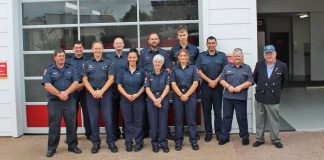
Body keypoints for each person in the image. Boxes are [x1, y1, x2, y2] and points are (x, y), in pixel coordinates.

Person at [42, 49, 81, 157]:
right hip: (55, 102)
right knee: (54, 126)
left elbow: (76, 82)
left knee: (71, 125)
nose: (61, 58)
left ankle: (72, 146)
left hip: (69, 100)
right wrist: (59, 94)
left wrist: (66, 93)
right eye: (59, 56)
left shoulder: (71, 68)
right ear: (55, 57)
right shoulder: (49, 69)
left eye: (63, 56)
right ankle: (51, 148)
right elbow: (47, 85)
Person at [82, 41, 117, 153]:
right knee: (93, 120)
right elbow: (84, 80)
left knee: (108, 119)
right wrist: (93, 92)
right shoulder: (87, 63)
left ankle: (111, 143)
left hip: (105, 94)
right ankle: (96, 143)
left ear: (102, 49)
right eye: (95, 48)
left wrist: (101, 91)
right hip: (91, 95)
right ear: (92, 49)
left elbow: (111, 78)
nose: (97, 50)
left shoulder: (108, 62)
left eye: (99, 48)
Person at [253, 45, 288, 149]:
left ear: (275, 54)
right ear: (264, 54)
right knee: (259, 119)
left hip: (273, 97)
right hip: (260, 96)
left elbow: (284, 82)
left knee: (274, 120)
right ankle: (259, 139)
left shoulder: (282, 65)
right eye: (267, 53)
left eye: (271, 53)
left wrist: (276, 90)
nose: (269, 55)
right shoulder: (259, 64)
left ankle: (276, 139)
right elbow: (255, 78)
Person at [139, 32, 173, 139]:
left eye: (155, 39)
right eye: (152, 39)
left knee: (163, 114)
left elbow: (168, 69)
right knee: (148, 112)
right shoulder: (143, 53)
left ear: (158, 41)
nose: (154, 41)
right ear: (149, 41)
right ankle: (148, 133)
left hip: (162, 86)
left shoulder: (164, 53)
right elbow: (140, 68)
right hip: (148, 86)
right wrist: (148, 79)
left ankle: (164, 134)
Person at [218, 48, 253, 145]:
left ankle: (245, 137)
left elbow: (250, 81)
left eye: (239, 56)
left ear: (242, 57)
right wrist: (228, 86)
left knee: (242, 118)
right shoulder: (227, 67)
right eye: (235, 55)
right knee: (226, 117)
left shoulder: (247, 68)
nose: (237, 57)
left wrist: (241, 87)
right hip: (228, 98)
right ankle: (225, 137)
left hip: (241, 98)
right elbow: (221, 80)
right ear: (232, 57)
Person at [195, 36, 228, 142]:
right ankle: (208, 133)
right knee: (206, 111)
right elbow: (199, 70)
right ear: (207, 44)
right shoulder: (201, 56)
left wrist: (215, 81)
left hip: (218, 87)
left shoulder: (222, 56)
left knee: (218, 112)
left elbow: (225, 70)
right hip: (205, 87)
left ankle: (219, 133)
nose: (211, 45)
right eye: (209, 43)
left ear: (216, 44)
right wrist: (209, 81)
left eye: (213, 43)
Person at [116, 48, 146, 152]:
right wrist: (127, 95)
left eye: (134, 57)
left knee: (138, 122)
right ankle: (128, 143)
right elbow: (119, 86)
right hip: (125, 100)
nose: (132, 59)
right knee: (128, 122)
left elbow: (145, 85)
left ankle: (138, 143)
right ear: (127, 58)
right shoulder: (122, 71)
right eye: (130, 57)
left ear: (137, 58)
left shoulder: (141, 70)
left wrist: (137, 94)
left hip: (139, 100)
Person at [171, 49, 200, 151]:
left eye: (184, 55)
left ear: (188, 57)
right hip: (178, 96)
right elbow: (173, 84)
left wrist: (186, 94)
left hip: (190, 95)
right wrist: (181, 94)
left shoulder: (193, 68)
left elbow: (196, 83)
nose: (183, 57)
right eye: (181, 55)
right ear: (178, 57)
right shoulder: (174, 69)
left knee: (191, 120)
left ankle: (193, 141)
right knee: (178, 120)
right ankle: (178, 141)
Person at [144, 54, 170, 153]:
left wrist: (160, 99)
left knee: (163, 123)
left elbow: (167, 87)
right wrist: (155, 100)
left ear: (162, 63)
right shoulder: (149, 74)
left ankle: (163, 143)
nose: (157, 63)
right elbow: (147, 88)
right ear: (153, 63)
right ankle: (154, 144)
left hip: (163, 99)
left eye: (159, 62)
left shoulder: (166, 74)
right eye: (156, 62)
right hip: (151, 100)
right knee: (153, 123)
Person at [66, 41, 91, 140]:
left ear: (83, 48)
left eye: (80, 47)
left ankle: (89, 134)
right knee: (72, 113)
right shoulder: (68, 61)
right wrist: (75, 86)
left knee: (87, 113)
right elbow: (66, 75)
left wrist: (82, 84)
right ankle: (72, 136)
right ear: (73, 49)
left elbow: (91, 74)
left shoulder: (88, 60)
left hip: (85, 89)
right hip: (73, 90)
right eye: (76, 48)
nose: (78, 49)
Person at [106, 37, 128, 140]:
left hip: (124, 88)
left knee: (125, 112)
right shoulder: (108, 58)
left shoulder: (128, 57)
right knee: (113, 112)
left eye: (120, 43)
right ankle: (115, 133)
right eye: (117, 43)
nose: (119, 45)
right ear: (113, 45)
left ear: (123, 45)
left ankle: (126, 133)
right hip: (112, 88)